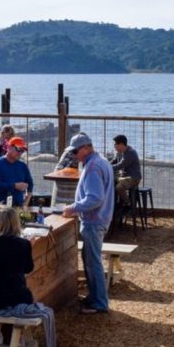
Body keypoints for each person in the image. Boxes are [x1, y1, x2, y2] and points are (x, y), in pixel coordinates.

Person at [62, 133, 114, 314]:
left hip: (94, 220)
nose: (74, 155)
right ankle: (95, 297)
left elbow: (95, 198)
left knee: (93, 263)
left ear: (86, 148)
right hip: (101, 218)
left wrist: (73, 208)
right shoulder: (102, 161)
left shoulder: (92, 167)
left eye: (75, 151)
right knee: (91, 260)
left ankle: (99, 303)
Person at [0, 207, 34, 342]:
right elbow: (28, 268)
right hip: (15, 295)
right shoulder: (23, 244)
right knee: (24, 294)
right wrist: (29, 248)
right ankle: (19, 337)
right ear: (16, 222)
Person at [0, 136, 33, 205]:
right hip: (1, 207)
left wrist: (25, 203)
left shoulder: (23, 166)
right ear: (9, 147)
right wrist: (14, 186)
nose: (20, 153)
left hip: (18, 206)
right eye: (18, 149)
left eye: (22, 150)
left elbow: (30, 184)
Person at [110, 134, 141, 207]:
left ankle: (128, 204)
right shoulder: (119, 152)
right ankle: (115, 204)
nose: (114, 146)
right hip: (124, 176)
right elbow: (114, 161)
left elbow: (120, 165)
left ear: (121, 144)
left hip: (133, 178)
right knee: (111, 181)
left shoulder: (130, 153)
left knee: (119, 187)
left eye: (116, 144)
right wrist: (106, 164)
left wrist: (107, 167)